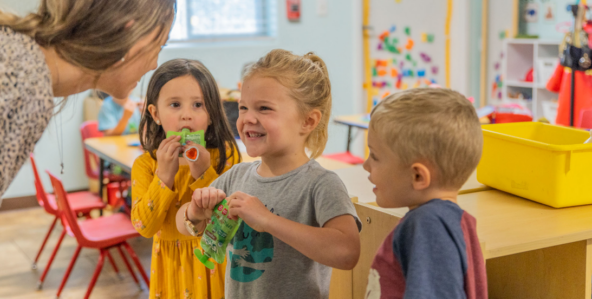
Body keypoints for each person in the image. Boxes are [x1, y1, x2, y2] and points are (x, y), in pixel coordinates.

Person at [0, 0, 176, 295]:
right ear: (129, 33)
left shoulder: (11, 54)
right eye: (160, 45)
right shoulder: (19, 88)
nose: (155, 63)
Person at [176, 49, 362, 299]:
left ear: (307, 121)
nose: (247, 118)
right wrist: (194, 212)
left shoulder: (320, 184)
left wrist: (267, 221)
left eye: (264, 108)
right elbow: (184, 225)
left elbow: (347, 252)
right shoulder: (236, 176)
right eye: (243, 108)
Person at [362, 88, 487, 299]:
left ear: (418, 176)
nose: (366, 165)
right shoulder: (452, 221)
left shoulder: (427, 226)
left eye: (374, 156)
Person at [131, 59, 241, 299]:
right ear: (155, 113)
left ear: (212, 113)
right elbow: (144, 228)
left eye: (198, 105)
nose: (186, 116)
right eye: (175, 104)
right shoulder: (145, 165)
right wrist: (164, 176)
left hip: (215, 265)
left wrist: (203, 173)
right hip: (170, 270)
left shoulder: (226, 157)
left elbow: (227, 224)